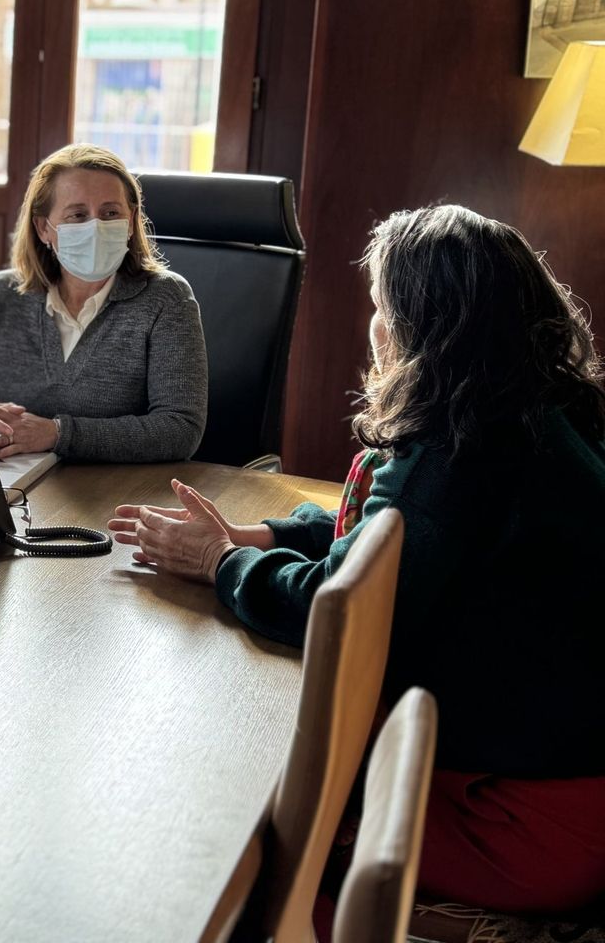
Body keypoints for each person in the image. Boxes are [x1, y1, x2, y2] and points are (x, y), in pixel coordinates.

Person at [110, 204, 605, 916]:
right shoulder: (525, 412)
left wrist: (222, 560)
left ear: (425, 324)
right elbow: (388, 532)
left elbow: (340, 610)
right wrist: (267, 537)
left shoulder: (456, 449)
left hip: (524, 822)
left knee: (248, 842)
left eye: (380, 308)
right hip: (562, 785)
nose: (371, 326)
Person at [0, 144, 207, 463]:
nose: (95, 227)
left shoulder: (165, 298)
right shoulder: (2, 296)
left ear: (131, 221)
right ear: (44, 228)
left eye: (110, 213)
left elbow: (181, 430)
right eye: (77, 215)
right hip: (22, 487)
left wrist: (57, 434)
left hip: (120, 492)